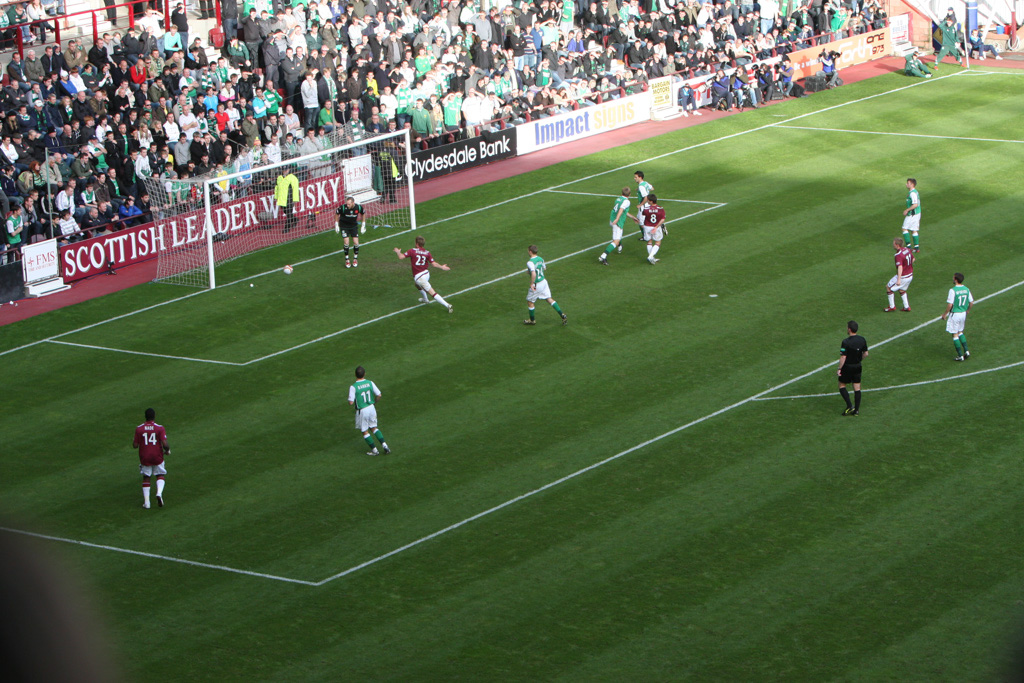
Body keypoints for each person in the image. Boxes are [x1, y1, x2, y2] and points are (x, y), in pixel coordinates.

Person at [393, 235, 454, 312]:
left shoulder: (412, 251)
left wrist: (398, 252)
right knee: (417, 285)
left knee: (432, 293)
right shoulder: (427, 252)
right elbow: (434, 264)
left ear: (416, 244)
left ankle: (448, 305)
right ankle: (425, 299)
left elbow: (401, 257)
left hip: (420, 277)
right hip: (426, 273)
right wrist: (442, 267)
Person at [347, 366, 391, 456]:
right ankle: (385, 446)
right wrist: (374, 403)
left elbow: (351, 402)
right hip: (371, 408)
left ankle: (375, 451)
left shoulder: (353, 387)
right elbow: (379, 395)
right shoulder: (370, 382)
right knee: (374, 427)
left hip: (362, 410)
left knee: (364, 431)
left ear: (355, 375)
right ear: (364, 374)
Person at [132, 407, 169, 509]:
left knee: (146, 477)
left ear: (145, 416)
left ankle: (147, 502)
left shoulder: (139, 429)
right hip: (157, 456)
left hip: (145, 456)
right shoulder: (160, 428)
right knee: (160, 474)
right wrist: (167, 450)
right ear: (154, 416)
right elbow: (165, 444)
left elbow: (135, 445)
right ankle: (159, 493)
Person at [523, 244, 567, 326]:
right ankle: (562, 314)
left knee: (530, 302)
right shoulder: (541, 259)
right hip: (544, 282)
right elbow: (544, 268)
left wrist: (532, 283)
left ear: (530, 252)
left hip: (537, 284)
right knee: (549, 299)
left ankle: (532, 320)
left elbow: (533, 273)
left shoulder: (530, 262)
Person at [837, 320, 868, 416]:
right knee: (857, 387)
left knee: (842, 385)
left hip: (847, 367)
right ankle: (856, 411)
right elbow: (866, 353)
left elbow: (843, 357)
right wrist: (859, 360)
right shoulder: (862, 339)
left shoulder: (846, 342)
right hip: (857, 366)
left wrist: (839, 368)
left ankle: (850, 406)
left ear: (849, 329)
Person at [942, 272, 974, 361]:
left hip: (955, 314)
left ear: (956, 279)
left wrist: (945, 314)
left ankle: (960, 356)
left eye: (953, 277)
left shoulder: (952, 290)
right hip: (963, 313)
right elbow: (971, 302)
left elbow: (950, 304)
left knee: (955, 334)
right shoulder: (966, 289)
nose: (953, 279)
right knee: (960, 332)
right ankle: (966, 351)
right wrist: (968, 310)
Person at [599, 186, 631, 264]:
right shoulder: (627, 201)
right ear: (629, 194)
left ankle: (620, 245)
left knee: (617, 237)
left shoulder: (618, 199)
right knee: (615, 241)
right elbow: (621, 210)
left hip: (612, 220)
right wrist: (617, 219)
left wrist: (632, 217)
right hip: (617, 222)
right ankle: (603, 256)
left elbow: (623, 211)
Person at [883, 237, 913, 312]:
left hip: (903, 276)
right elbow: (913, 259)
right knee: (902, 290)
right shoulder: (907, 249)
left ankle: (892, 306)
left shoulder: (898, 255)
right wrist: (907, 266)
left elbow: (900, 267)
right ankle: (907, 307)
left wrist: (898, 279)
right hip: (910, 275)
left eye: (894, 244)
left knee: (888, 287)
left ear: (897, 245)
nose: (893, 245)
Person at [336, 195, 364, 268]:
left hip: (353, 226)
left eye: (349, 204)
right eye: (347, 204)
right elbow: (337, 213)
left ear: (353, 203)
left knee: (356, 242)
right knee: (346, 242)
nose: (347, 205)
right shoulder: (342, 208)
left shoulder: (358, 207)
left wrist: (363, 225)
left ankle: (355, 259)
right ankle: (347, 260)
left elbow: (363, 213)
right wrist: (336, 224)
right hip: (344, 226)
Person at [639, 192, 666, 264]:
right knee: (658, 242)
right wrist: (656, 227)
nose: (647, 201)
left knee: (649, 241)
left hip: (647, 226)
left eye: (648, 200)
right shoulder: (660, 209)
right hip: (655, 227)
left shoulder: (646, 209)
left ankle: (651, 257)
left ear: (651, 201)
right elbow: (662, 219)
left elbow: (643, 215)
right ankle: (651, 256)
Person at [901, 177, 921, 252]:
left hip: (913, 214)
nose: (906, 184)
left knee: (904, 228)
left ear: (912, 184)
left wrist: (907, 210)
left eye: (908, 183)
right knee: (914, 230)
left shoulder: (912, 193)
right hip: (917, 213)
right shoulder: (915, 192)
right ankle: (916, 248)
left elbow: (915, 204)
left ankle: (908, 247)